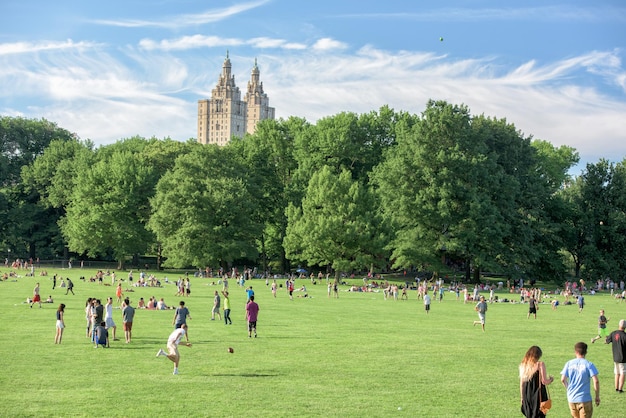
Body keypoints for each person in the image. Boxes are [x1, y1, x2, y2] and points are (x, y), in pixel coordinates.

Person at [560, 342, 600, 417]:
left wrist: (568, 389)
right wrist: (597, 396)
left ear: (575, 352)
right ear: (586, 352)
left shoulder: (569, 363)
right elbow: (596, 381)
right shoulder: (589, 364)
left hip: (572, 398)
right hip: (584, 398)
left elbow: (563, 379)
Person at [519, 345, 554, 418]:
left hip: (527, 394)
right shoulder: (540, 364)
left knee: (530, 415)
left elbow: (522, 384)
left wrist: (522, 397)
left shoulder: (523, 365)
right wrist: (551, 379)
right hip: (538, 394)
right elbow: (544, 381)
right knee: (539, 414)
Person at [605, 319, 626, 393]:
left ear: (619, 325)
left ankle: (616, 387)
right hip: (623, 358)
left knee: (617, 373)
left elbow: (606, 341)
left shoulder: (613, 333)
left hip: (615, 357)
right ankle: (620, 389)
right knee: (623, 373)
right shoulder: (625, 336)